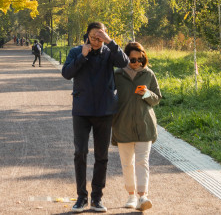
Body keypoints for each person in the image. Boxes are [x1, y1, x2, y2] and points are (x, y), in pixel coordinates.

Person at [62, 22, 128, 212]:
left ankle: (97, 198)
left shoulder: (109, 52)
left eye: (100, 37)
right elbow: (66, 73)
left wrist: (110, 42)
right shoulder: (76, 52)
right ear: (87, 36)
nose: (97, 40)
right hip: (82, 111)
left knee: (102, 156)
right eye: (93, 36)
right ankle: (81, 197)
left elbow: (123, 62)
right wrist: (82, 56)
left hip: (104, 111)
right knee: (80, 152)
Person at [112, 42, 162, 212]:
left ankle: (143, 196)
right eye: (132, 59)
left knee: (142, 162)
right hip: (123, 125)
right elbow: (109, 96)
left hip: (144, 124)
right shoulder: (117, 74)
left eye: (140, 60)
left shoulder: (149, 74)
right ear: (126, 58)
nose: (136, 63)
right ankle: (131, 195)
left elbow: (157, 99)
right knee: (127, 163)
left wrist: (146, 93)